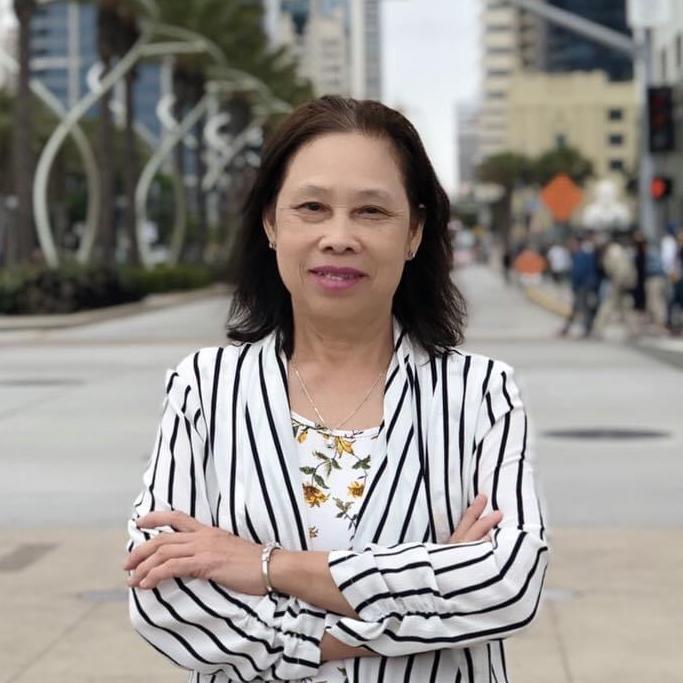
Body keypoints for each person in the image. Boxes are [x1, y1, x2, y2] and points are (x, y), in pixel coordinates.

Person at [124, 96, 548, 683]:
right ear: (271, 224)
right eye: (312, 207)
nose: (339, 236)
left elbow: (509, 586)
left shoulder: (479, 394)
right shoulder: (205, 387)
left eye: (371, 211)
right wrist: (430, 588)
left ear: (414, 232)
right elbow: (162, 598)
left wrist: (268, 566)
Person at [560, 232, 601, 337]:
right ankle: (567, 328)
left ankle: (586, 329)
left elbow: (578, 273)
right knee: (577, 307)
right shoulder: (584, 254)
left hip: (583, 286)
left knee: (584, 308)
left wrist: (575, 285)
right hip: (585, 285)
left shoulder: (581, 256)